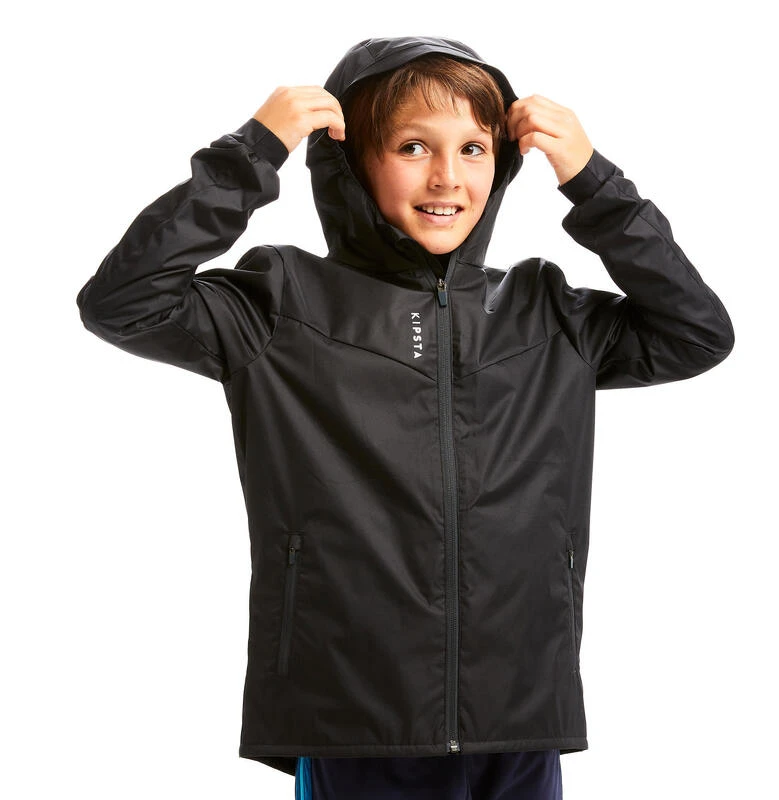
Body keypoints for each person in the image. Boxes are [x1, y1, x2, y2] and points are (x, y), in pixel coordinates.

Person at [76, 36, 735, 800]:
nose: (448, 176)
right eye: (414, 147)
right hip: (353, 725)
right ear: (353, 164)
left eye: (474, 149)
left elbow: (697, 333)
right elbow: (122, 302)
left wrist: (593, 182)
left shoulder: (545, 314)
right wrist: (251, 154)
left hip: (517, 720)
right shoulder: (281, 305)